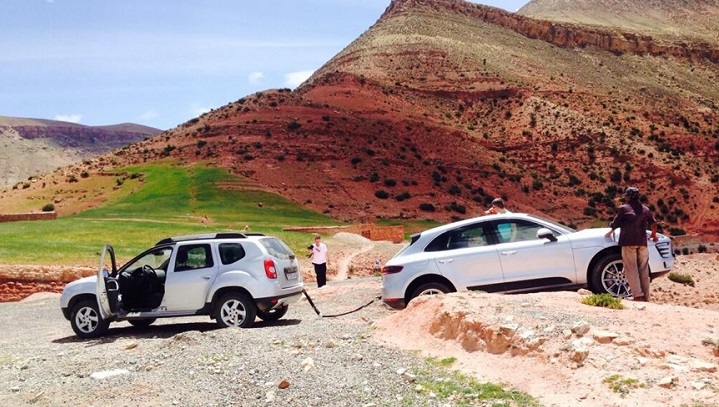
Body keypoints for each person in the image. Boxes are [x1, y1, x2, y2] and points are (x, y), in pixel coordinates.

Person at [605, 186, 658, 301]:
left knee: (631, 268)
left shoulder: (624, 209)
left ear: (628, 197)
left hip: (628, 242)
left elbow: (616, 223)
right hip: (642, 243)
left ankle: (637, 295)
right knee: (643, 269)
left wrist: (610, 231)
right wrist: (654, 235)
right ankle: (646, 295)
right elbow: (654, 223)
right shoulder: (645, 209)